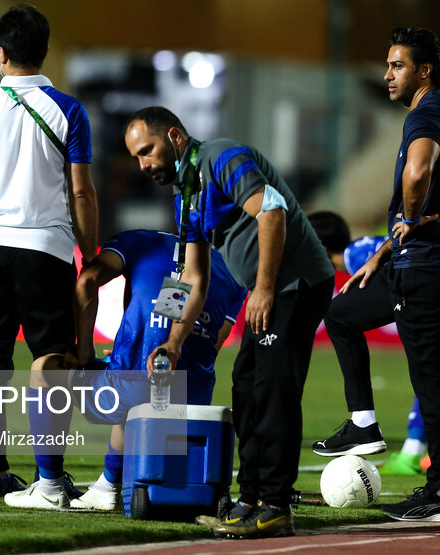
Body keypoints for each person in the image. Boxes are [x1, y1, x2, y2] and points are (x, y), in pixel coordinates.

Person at [123, 106, 334, 538]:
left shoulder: (221, 155)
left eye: (147, 150)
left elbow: (272, 210)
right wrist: (173, 340)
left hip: (298, 283)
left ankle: (275, 503)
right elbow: (193, 278)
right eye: (136, 157)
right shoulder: (185, 198)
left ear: (176, 137)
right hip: (275, 289)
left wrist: (263, 289)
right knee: (245, 385)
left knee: (271, 389)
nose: (143, 164)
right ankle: (251, 499)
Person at [312, 27, 440, 523]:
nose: (387, 75)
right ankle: (364, 424)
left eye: (397, 65)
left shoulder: (427, 115)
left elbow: (419, 174)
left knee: (431, 384)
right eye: (388, 65)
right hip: (411, 263)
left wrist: (405, 216)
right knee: (340, 315)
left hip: (426, 268)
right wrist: (385, 247)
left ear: (424, 71)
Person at [0, 4, 99, 507]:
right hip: (45, 248)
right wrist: (90, 253)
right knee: (50, 357)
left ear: (1, 54)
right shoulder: (69, 109)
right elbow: (82, 192)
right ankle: (51, 474)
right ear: (44, 54)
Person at [307, 211, 440, 476]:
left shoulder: (359, 257)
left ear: (319, 248)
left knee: (431, 367)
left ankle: (413, 453)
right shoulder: (365, 246)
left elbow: (410, 277)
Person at [68, 229, 246, 510]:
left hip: (141, 384)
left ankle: (57, 482)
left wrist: (87, 352)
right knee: (137, 369)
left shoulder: (138, 240)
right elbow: (212, 345)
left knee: (52, 370)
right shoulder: (234, 272)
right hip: (195, 395)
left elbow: (87, 281)